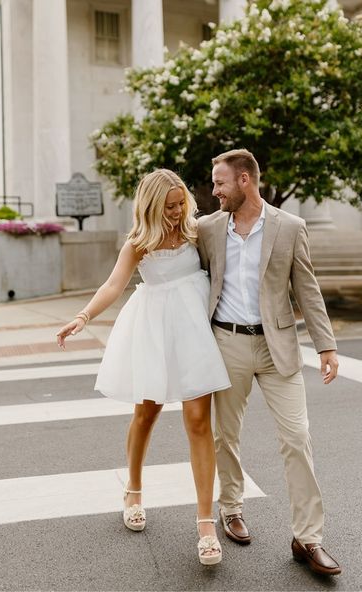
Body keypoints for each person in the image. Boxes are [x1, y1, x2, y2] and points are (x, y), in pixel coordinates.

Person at [56, 169, 231, 565]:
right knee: (146, 413)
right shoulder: (137, 243)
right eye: (169, 206)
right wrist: (82, 318)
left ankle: (206, 523)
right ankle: (132, 487)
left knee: (200, 421)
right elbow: (113, 285)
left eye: (180, 203)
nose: (176, 211)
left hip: (194, 334)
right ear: (151, 206)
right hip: (154, 330)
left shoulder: (194, 231)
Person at [197, 149, 342, 576]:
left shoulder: (290, 227)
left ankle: (308, 538)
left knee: (297, 437)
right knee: (226, 434)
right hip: (226, 341)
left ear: (245, 181)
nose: (215, 190)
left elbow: (307, 288)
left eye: (220, 183)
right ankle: (231, 508)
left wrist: (326, 345)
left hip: (277, 345)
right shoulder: (207, 228)